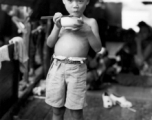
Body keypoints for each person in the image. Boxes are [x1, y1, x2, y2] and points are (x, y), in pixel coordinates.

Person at [45, 0, 101, 120]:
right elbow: (50, 44)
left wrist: (89, 32)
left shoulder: (90, 22)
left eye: (80, 1)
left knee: (76, 112)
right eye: (70, 0)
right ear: (64, 1)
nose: (75, 5)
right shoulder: (61, 21)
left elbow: (97, 48)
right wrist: (56, 26)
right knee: (57, 110)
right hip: (57, 68)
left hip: (77, 70)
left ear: (87, 1)